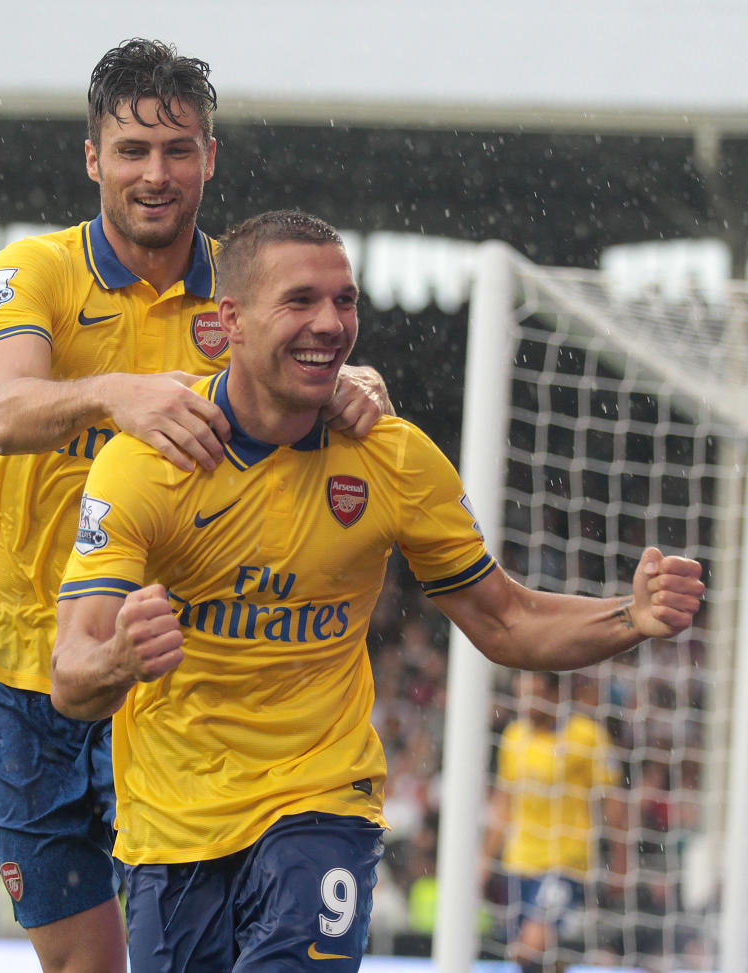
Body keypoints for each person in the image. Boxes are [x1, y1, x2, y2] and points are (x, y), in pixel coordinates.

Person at [50, 210, 705, 973]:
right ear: (230, 318)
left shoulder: (391, 457)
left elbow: (507, 619)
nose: (331, 323)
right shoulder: (145, 462)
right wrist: (122, 658)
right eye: (301, 301)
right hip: (173, 826)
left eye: (346, 301)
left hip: (323, 803)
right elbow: (72, 676)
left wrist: (632, 614)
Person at [0, 41, 390, 973]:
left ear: (210, 159)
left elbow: (318, 378)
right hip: (21, 661)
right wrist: (118, 394)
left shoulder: (248, 290)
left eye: (178, 149)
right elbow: (4, 410)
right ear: (94, 157)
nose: (157, 173)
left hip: (173, 669)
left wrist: (355, 386)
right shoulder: (36, 272)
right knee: (85, 963)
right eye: (134, 150)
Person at [482, 670, 627, 972]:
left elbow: (612, 801)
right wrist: (485, 859)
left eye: (532, 695)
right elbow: (503, 804)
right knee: (532, 957)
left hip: (565, 862)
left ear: (554, 695)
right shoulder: (513, 737)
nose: (524, 704)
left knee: (529, 947)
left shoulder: (586, 735)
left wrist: (621, 860)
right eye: (520, 695)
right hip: (519, 861)